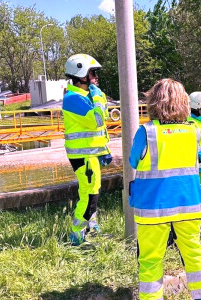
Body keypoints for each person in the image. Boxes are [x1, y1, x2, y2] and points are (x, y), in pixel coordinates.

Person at [129, 79, 201, 300]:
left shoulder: (146, 132)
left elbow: (133, 162)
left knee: (151, 259)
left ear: (153, 102)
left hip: (152, 207)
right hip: (189, 203)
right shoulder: (194, 131)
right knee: (193, 253)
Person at [62, 54, 113, 246]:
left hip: (91, 155)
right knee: (89, 194)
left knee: (94, 191)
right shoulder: (74, 98)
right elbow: (97, 120)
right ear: (81, 74)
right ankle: (77, 234)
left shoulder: (84, 97)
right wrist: (99, 97)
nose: (95, 77)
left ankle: (91, 228)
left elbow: (101, 125)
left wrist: (103, 151)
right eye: (92, 73)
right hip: (82, 156)